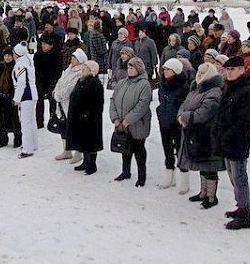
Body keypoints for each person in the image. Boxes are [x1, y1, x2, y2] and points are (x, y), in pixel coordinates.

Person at [216, 56, 250, 230]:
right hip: (225, 139)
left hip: (238, 140)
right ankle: (240, 206)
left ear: (242, 69)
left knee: (240, 177)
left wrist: (228, 134)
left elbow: (246, 120)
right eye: (227, 69)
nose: (229, 72)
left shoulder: (247, 91)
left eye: (233, 69)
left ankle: (244, 213)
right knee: (233, 176)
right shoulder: (229, 87)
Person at [177, 62, 224, 209]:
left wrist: (186, 117)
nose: (199, 74)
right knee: (202, 163)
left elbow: (204, 113)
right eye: (199, 71)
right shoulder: (196, 88)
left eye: (203, 72)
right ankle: (203, 192)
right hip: (194, 132)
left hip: (208, 134)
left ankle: (211, 196)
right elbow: (184, 104)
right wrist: (181, 116)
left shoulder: (214, 92)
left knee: (210, 165)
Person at [110, 57, 152, 187]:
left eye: (132, 67)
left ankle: (141, 176)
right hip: (121, 123)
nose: (129, 70)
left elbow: (142, 105)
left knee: (139, 150)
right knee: (124, 148)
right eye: (128, 67)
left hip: (138, 124)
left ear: (139, 69)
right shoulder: (122, 83)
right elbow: (113, 100)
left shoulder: (144, 84)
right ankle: (125, 172)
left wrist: (127, 120)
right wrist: (116, 118)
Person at [66, 60, 104, 175]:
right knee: (83, 140)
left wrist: (88, 113)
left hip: (90, 119)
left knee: (90, 141)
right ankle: (85, 162)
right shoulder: (81, 80)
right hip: (80, 117)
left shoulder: (94, 82)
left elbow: (97, 102)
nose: (83, 69)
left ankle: (92, 164)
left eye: (86, 68)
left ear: (91, 70)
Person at [156, 58, 189, 191]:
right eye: (164, 69)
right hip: (164, 120)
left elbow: (185, 105)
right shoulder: (162, 84)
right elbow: (161, 99)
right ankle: (169, 175)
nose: (165, 72)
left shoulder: (183, 86)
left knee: (181, 150)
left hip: (177, 123)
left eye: (168, 69)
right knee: (167, 148)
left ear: (175, 71)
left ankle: (184, 178)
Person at [53, 48, 88, 161]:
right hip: (61, 104)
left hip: (71, 105)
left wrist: (58, 96)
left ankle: (78, 152)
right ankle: (66, 150)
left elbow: (70, 88)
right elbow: (60, 82)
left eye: (74, 58)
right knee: (63, 127)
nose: (72, 59)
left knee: (75, 128)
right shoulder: (68, 69)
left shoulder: (80, 72)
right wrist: (55, 92)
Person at [12, 42, 38, 158]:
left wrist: (16, 99)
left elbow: (21, 84)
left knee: (26, 123)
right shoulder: (28, 60)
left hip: (26, 95)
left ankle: (27, 149)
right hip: (32, 93)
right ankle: (33, 144)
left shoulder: (19, 65)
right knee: (32, 120)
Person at [0, 47, 21, 148]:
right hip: (1, 97)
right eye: (5, 56)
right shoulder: (0, 66)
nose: (7, 58)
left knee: (14, 119)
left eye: (9, 55)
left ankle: (18, 139)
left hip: (13, 96)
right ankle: (3, 140)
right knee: (2, 119)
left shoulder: (16, 66)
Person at [34, 35, 61, 129]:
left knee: (52, 103)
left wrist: (54, 82)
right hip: (40, 82)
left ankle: (53, 120)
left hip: (52, 82)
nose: (43, 46)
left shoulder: (56, 55)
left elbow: (58, 70)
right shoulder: (37, 55)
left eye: (45, 44)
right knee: (39, 103)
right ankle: (39, 121)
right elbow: (36, 70)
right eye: (42, 44)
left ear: (51, 45)